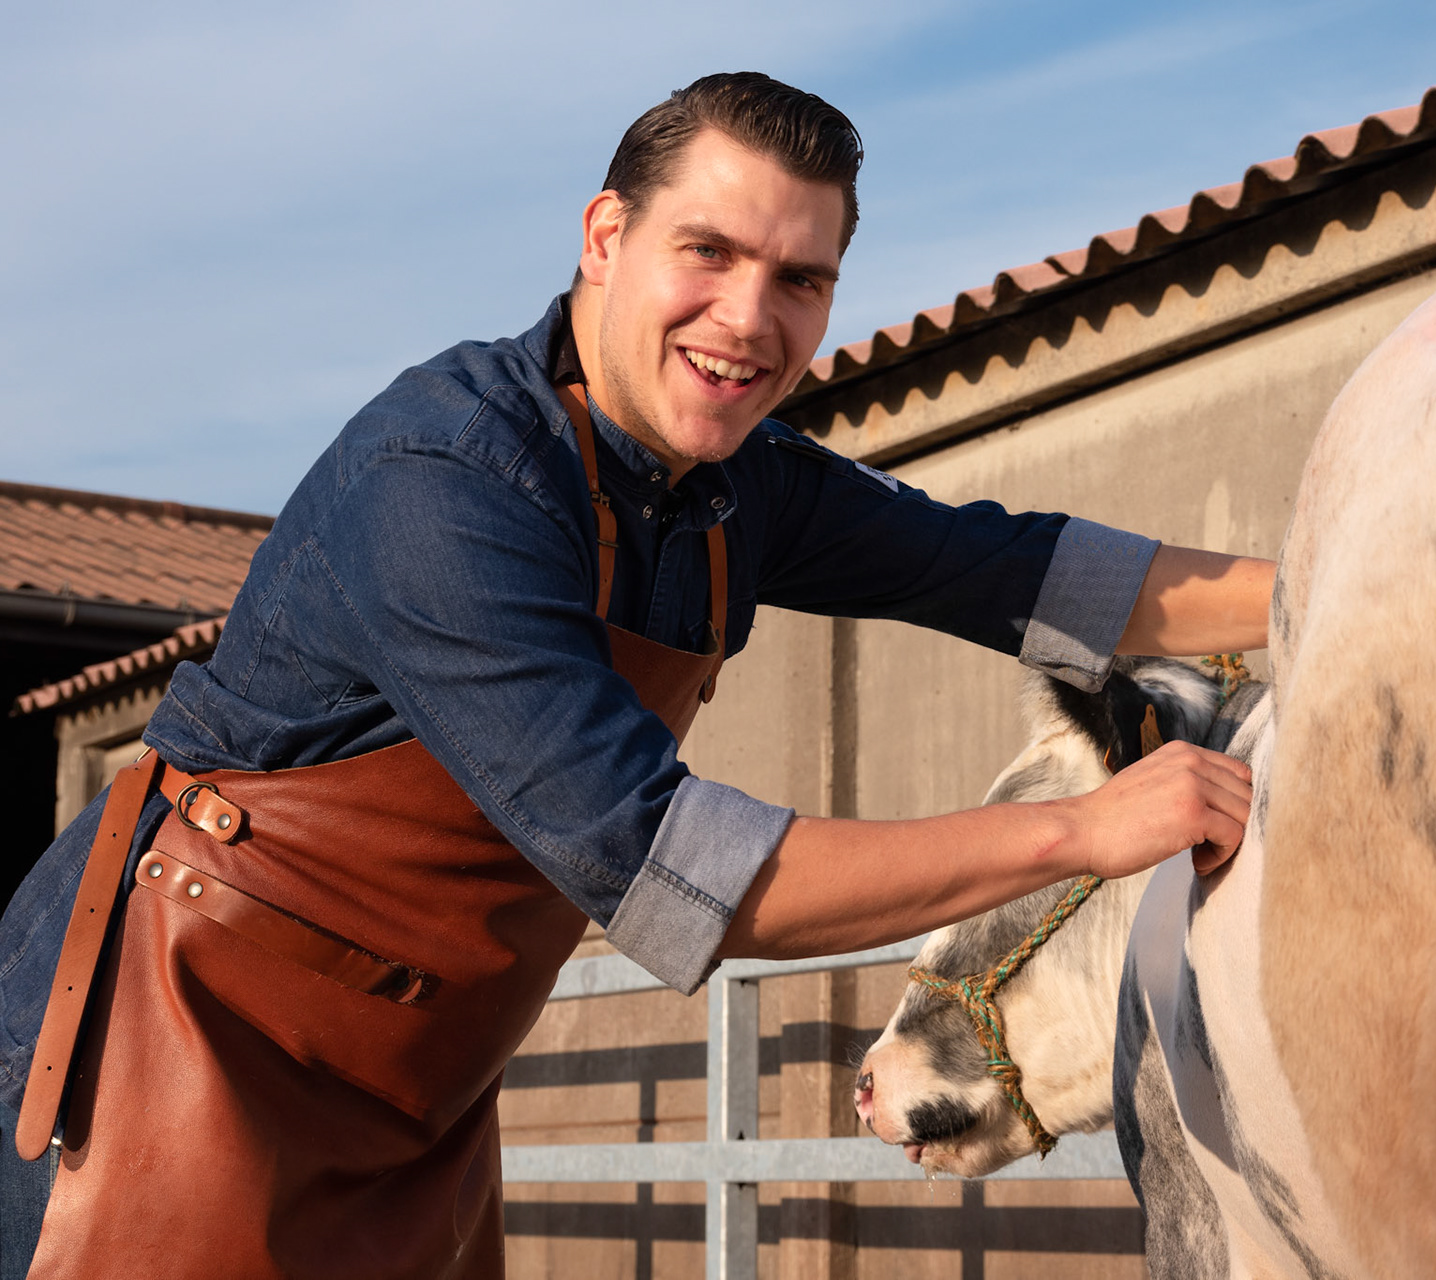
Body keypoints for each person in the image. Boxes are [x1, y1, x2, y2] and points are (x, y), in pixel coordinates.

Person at [0, 72, 1271, 1278]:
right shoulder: (444, 484)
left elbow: (1025, 572)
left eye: (800, 279)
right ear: (606, 237)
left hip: (417, 1086)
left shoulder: (736, 487)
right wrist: (1082, 830)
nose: (750, 319)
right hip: (175, 1044)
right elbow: (674, 868)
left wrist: (1332, 584)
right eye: (708, 252)